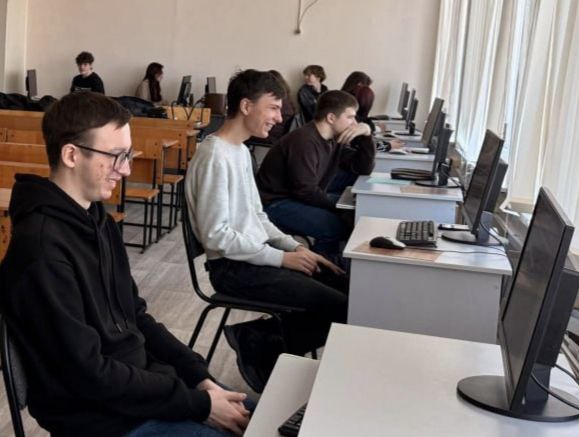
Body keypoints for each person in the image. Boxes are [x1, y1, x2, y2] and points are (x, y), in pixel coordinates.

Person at [0, 92, 251, 437]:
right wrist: (197, 404)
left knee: (269, 416)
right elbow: (89, 375)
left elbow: (136, 316)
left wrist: (198, 377)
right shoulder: (41, 250)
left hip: (139, 393)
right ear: (71, 155)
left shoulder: (97, 220)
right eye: (116, 156)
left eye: (128, 155)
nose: (127, 169)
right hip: (103, 421)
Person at [185, 69, 348, 393]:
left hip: (253, 257)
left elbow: (257, 216)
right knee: (342, 307)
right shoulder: (215, 155)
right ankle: (261, 341)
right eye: (273, 108)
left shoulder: (240, 151)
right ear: (246, 106)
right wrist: (280, 259)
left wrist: (294, 247)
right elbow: (216, 236)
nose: (279, 117)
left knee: (348, 286)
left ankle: (261, 338)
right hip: (232, 268)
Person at [256, 90, 375, 261]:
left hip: (296, 196)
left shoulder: (333, 139)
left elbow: (361, 168)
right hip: (275, 203)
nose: (355, 123)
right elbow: (305, 191)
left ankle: (332, 264)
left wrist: (366, 134)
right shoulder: (304, 141)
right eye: (350, 117)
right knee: (335, 227)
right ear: (331, 118)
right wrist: (340, 208)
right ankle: (322, 269)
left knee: (355, 210)